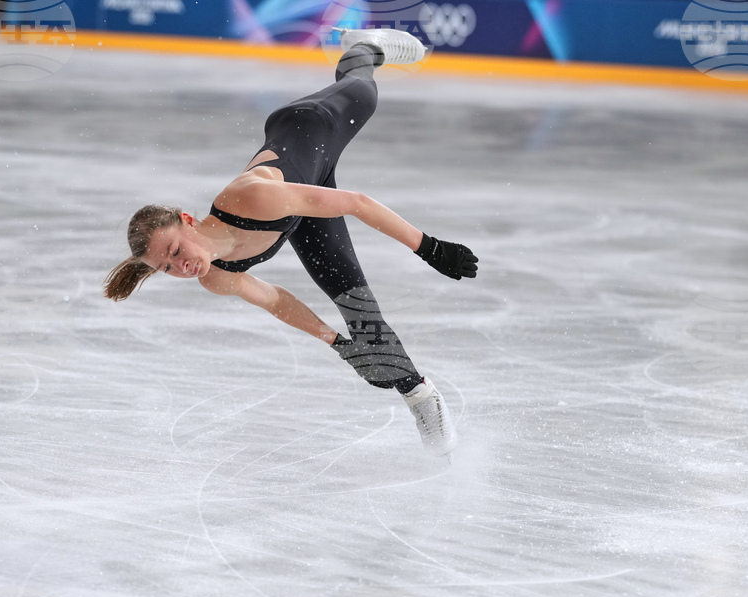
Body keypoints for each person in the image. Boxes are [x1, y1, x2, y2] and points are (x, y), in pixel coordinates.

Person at [104, 29, 478, 457]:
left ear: (188, 221)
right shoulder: (216, 277)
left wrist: (428, 248)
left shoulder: (249, 197)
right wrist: (339, 344)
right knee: (360, 311)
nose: (180, 266)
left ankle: (364, 47)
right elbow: (275, 300)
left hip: (310, 124)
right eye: (166, 268)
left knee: (363, 89)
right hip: (298, 215)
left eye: (174, 251)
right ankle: (421, 398)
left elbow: (356, 203)